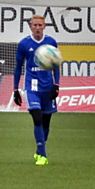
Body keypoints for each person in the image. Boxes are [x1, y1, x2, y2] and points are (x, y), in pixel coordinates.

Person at [13, 14, 60, 166]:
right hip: (31, 87)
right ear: (31, 26)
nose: (38, 28)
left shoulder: (51, 42)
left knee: (46, 122)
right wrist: (15, 89)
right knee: (37, 117)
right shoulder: (24, 44)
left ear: (45, 26)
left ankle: (39, 150)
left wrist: (56, 85)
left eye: (40, 25)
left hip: (47, 87)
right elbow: (18, 67)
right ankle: (43, 156)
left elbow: (56, 65)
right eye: (35, 25)